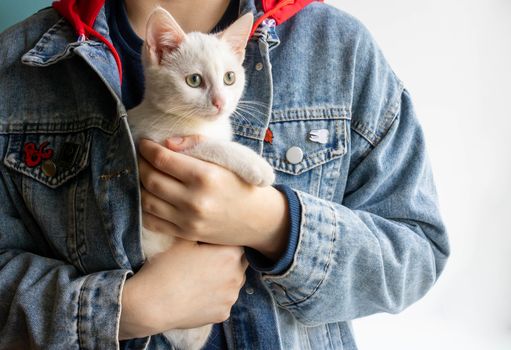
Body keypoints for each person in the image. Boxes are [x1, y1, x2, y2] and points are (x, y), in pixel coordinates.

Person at [0, 0, 450, 348]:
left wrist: (275, 224)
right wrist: (124, 310)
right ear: (158, 52)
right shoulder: (17, 62)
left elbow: (417, 254)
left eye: (228, 82)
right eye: (197, 83)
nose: (217, 100)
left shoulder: (338, 47)